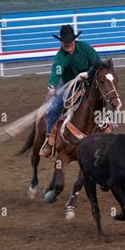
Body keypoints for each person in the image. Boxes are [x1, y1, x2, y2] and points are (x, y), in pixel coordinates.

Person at [39, 24, 101, 157]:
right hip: (68, 85)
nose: (68, 44)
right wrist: (52, 85)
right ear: (61, 42)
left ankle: (108, 123)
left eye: (70, 41)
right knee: (55, 106)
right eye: (65, 42)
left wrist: (88, 73)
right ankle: (50, 140)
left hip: (89, 80)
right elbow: (57, 72)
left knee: (105, 95)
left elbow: (97, 62)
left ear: (74, 40)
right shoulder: (60, 57)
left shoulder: (85, 48)